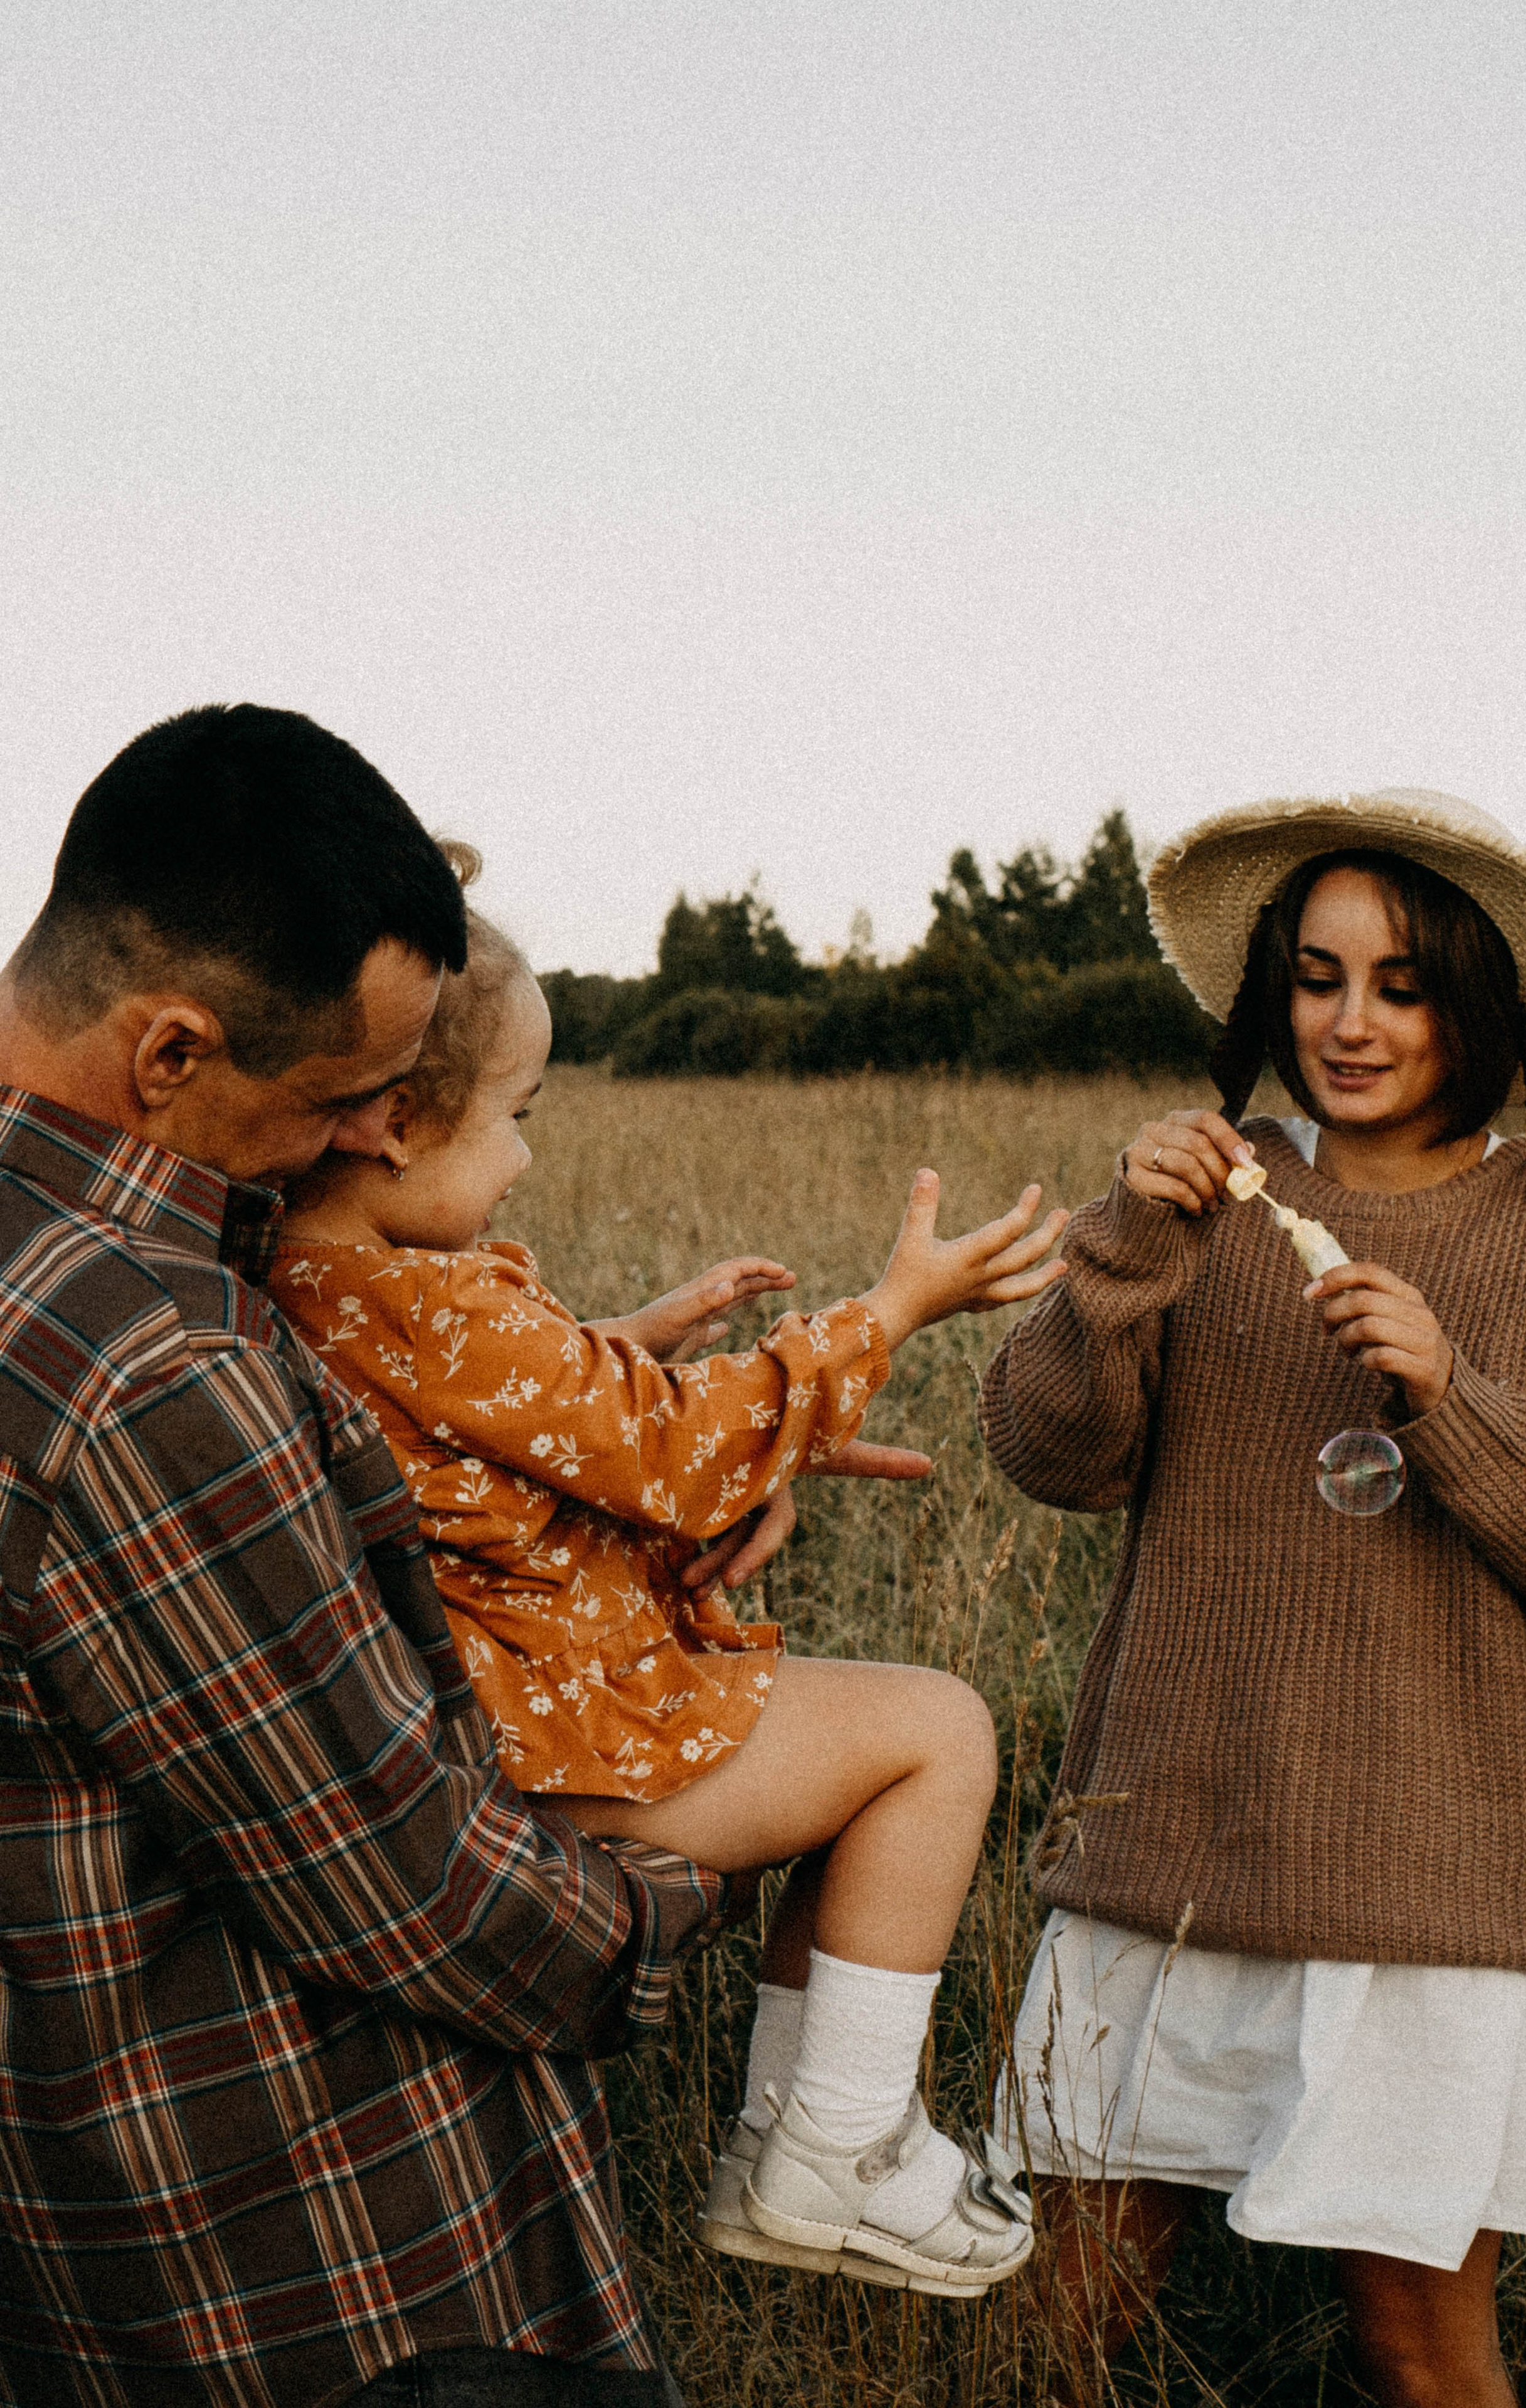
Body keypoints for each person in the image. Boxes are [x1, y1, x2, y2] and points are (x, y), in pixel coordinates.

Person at [0, 705, 733, 2408]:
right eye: (337, 1096)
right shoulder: (149, 1362)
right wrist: (682, 1896)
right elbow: (400, 1881)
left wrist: (596, 1420)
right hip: (327, 2277)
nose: (357, 1141)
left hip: (87, 2265)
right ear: (170, 1054)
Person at [270, 852, 1063, 2301]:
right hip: (567, 1748)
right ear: (390, 1121)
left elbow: (475, 1417)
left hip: (498, 1725)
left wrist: (620, 1345)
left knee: (873, 1745)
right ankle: (836, 2148)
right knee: (936, 1732)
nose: (523, 1158)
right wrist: (895, 1308)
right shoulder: (433, 1304)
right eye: (517, 1119)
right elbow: (683, 1460)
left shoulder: (315, 1279)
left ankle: (801, 2145)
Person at [981, 789, 1526, 2407]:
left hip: (1434, 1885)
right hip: (1176, 1851)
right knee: (1070, 2316)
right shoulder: (1209, 1192)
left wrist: (1448, 1396)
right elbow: (1046, 1451)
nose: (1346, 1022)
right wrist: (1120, 1246)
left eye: (1398, 985)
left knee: (1415, 2344)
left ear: (1482, 1007)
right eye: (1314, 978)